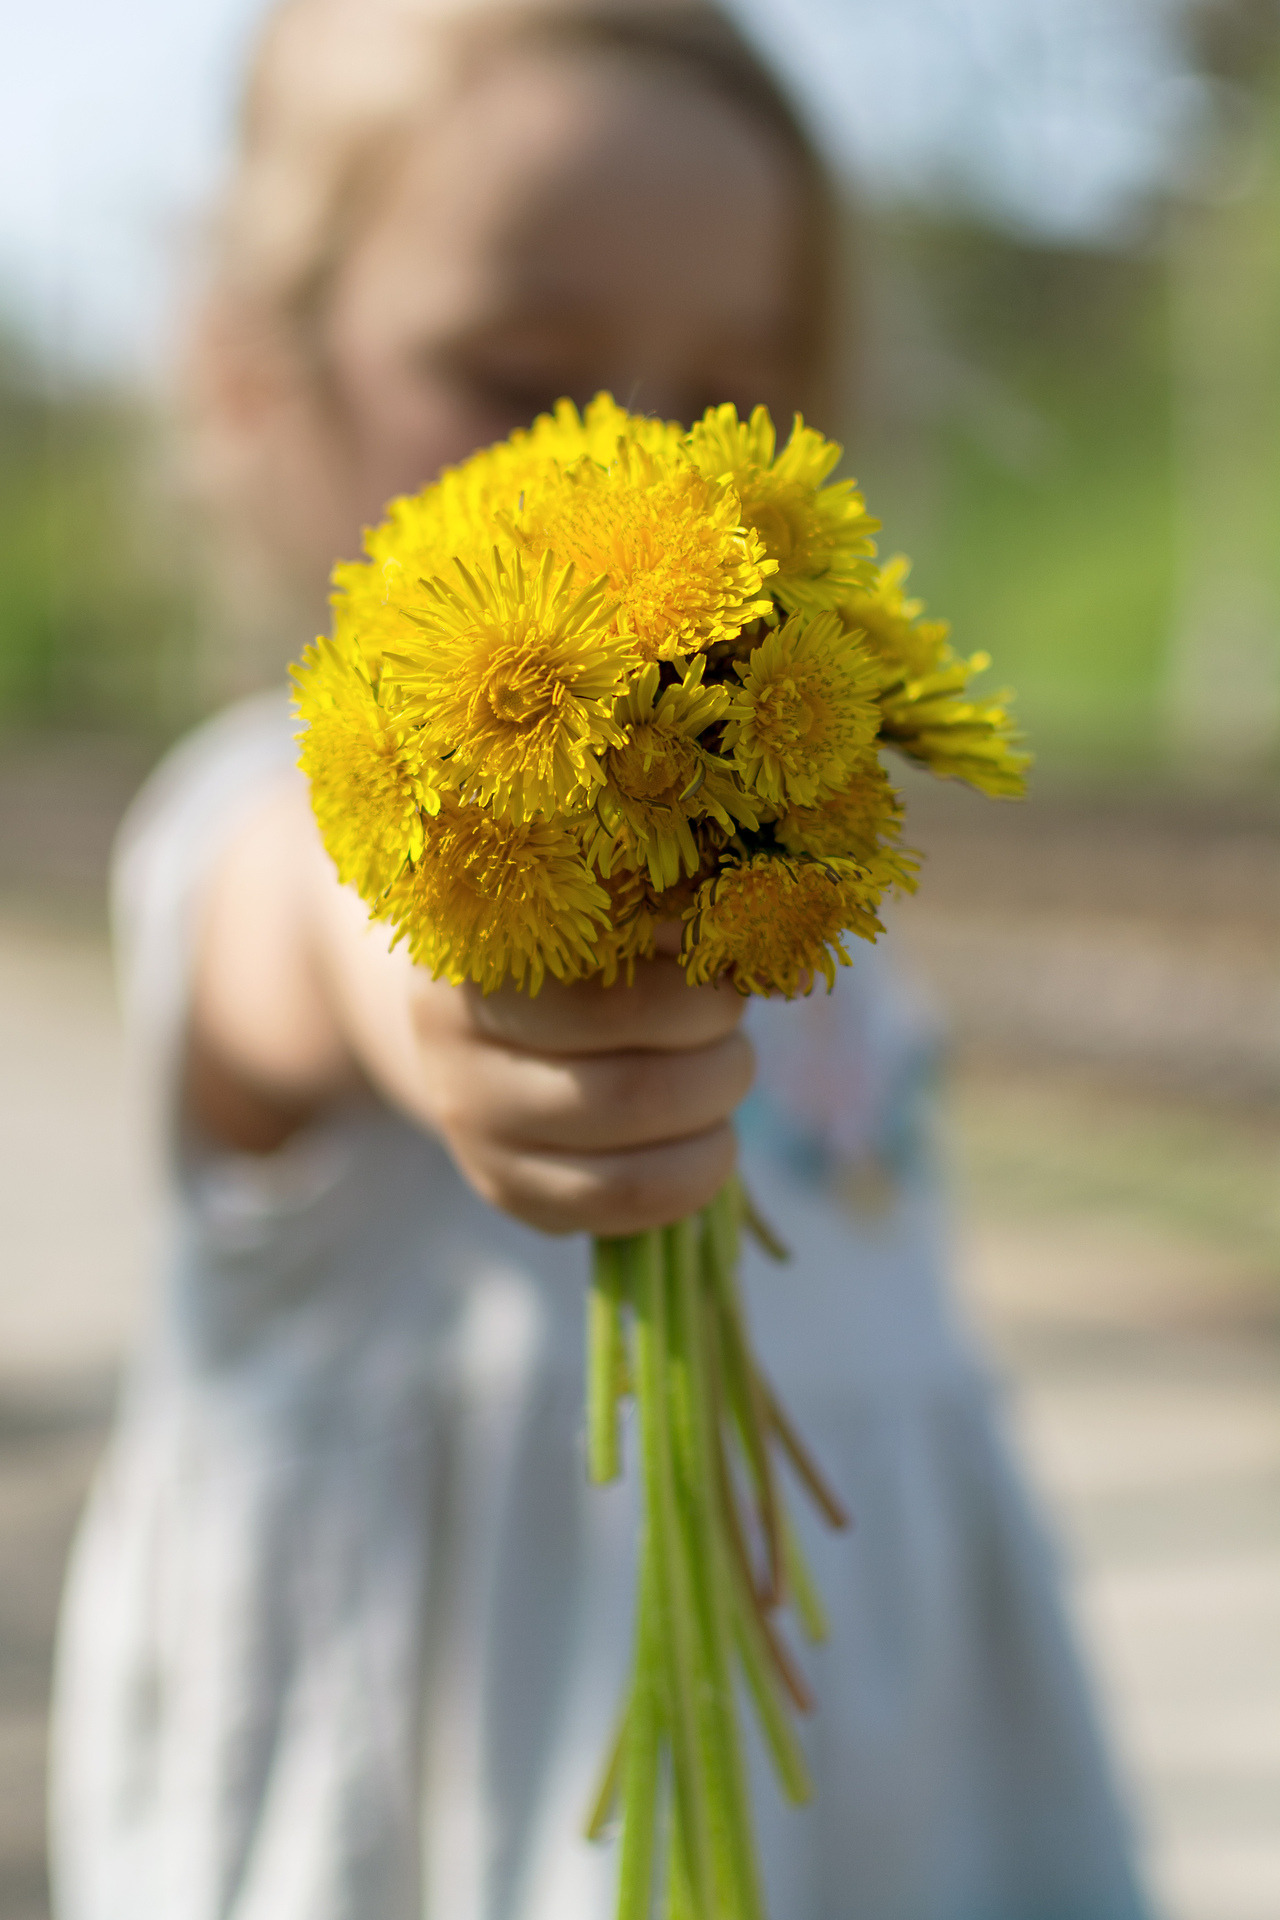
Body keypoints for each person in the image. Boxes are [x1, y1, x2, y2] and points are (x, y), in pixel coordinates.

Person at [50, 3, 1152, 1917]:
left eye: (734, 388)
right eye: (520, 374)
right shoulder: (280, 824)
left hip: (891, 1802)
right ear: (255, 385)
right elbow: (315, 925)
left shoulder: (796, 866)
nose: (639, 469)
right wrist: (455, 982)